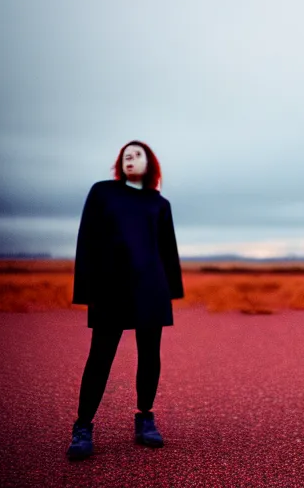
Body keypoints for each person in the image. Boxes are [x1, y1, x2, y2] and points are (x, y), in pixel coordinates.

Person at [66, 140, 184, 460]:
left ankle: (145, 418)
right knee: (100, 357)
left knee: (149, 356)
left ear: (151, 163)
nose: (130, 160)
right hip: (110, 289)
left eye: (137, 155)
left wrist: (170, 292)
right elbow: (87, 239)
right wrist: (87, 290)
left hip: (150, 289)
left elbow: (167, 250)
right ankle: (83, 426)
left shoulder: (159, 204)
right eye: (126, 156)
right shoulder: (103, 192)